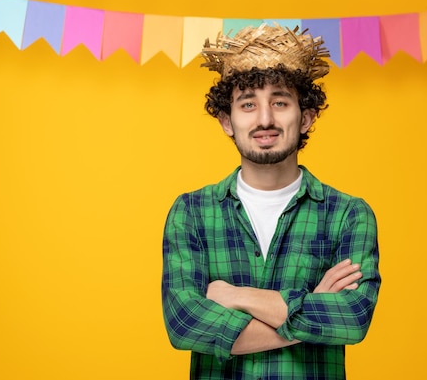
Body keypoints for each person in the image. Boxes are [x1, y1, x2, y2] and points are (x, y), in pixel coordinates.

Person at [161, 24, 380, 379]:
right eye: (248, 104)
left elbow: (352, 319)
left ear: (306, 117)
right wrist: (311, 307)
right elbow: (184, 324)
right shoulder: (191, 213)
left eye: (280, 102)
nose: (265, 119)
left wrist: (236, 296)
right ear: (226, 120)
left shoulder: (348, 215)